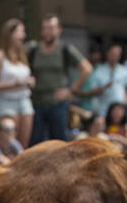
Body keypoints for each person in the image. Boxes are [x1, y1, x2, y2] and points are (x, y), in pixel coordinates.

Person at [27, 14, 91, 144]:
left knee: (59, 142)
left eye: (51, 28)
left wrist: (71, 90)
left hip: (57, 103)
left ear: (58, 30)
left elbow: (87, 68)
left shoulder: (65, 49)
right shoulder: (33, 49)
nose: (47, 32)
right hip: (36, 102)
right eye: (45, 28)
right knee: (35, 143)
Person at [0, 18, 35, 149]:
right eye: (20, 31)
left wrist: (30, 81)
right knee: (8, 146)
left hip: (24, 101)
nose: (23, 35)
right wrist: (14, 84)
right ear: (9, 34)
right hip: (6, 102)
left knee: (22, 148)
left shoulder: (22, 56)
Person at [77, 43, 127, 121]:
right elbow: (91, 91)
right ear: (108, 54)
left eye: (117, 54)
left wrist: (124, 102)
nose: (115, 56)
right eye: (113, 54)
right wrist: (104, 88)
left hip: (119, 113)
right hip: (102, 111)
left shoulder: (125, 71)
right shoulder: (98, 71)